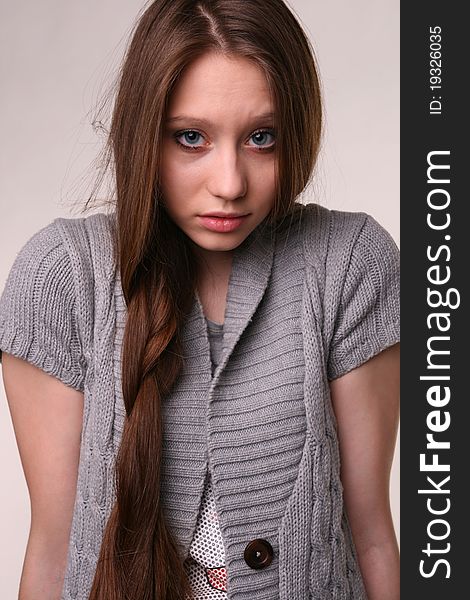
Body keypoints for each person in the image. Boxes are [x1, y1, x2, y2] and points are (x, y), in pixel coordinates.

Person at [0, 1, 400, 599]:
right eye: (192, 138)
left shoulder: (349, 264)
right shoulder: (63, 278)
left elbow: (369, 533)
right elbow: (56, 550)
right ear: (144, 136)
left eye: (262, 138)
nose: (230, 183)